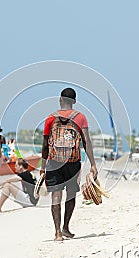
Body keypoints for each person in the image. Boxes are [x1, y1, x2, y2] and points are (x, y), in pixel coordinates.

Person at [40, 87, 98, 241]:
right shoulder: (81, 117)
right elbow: (86, 142)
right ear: (74, 102)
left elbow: (45, 145)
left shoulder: (50, 118)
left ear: (60, 100)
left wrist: (42, 167)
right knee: (71, 195)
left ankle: (57, 233)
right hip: (73, 162)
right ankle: (66, 227)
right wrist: (93, 164)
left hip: (53, 162)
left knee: (56, 197)